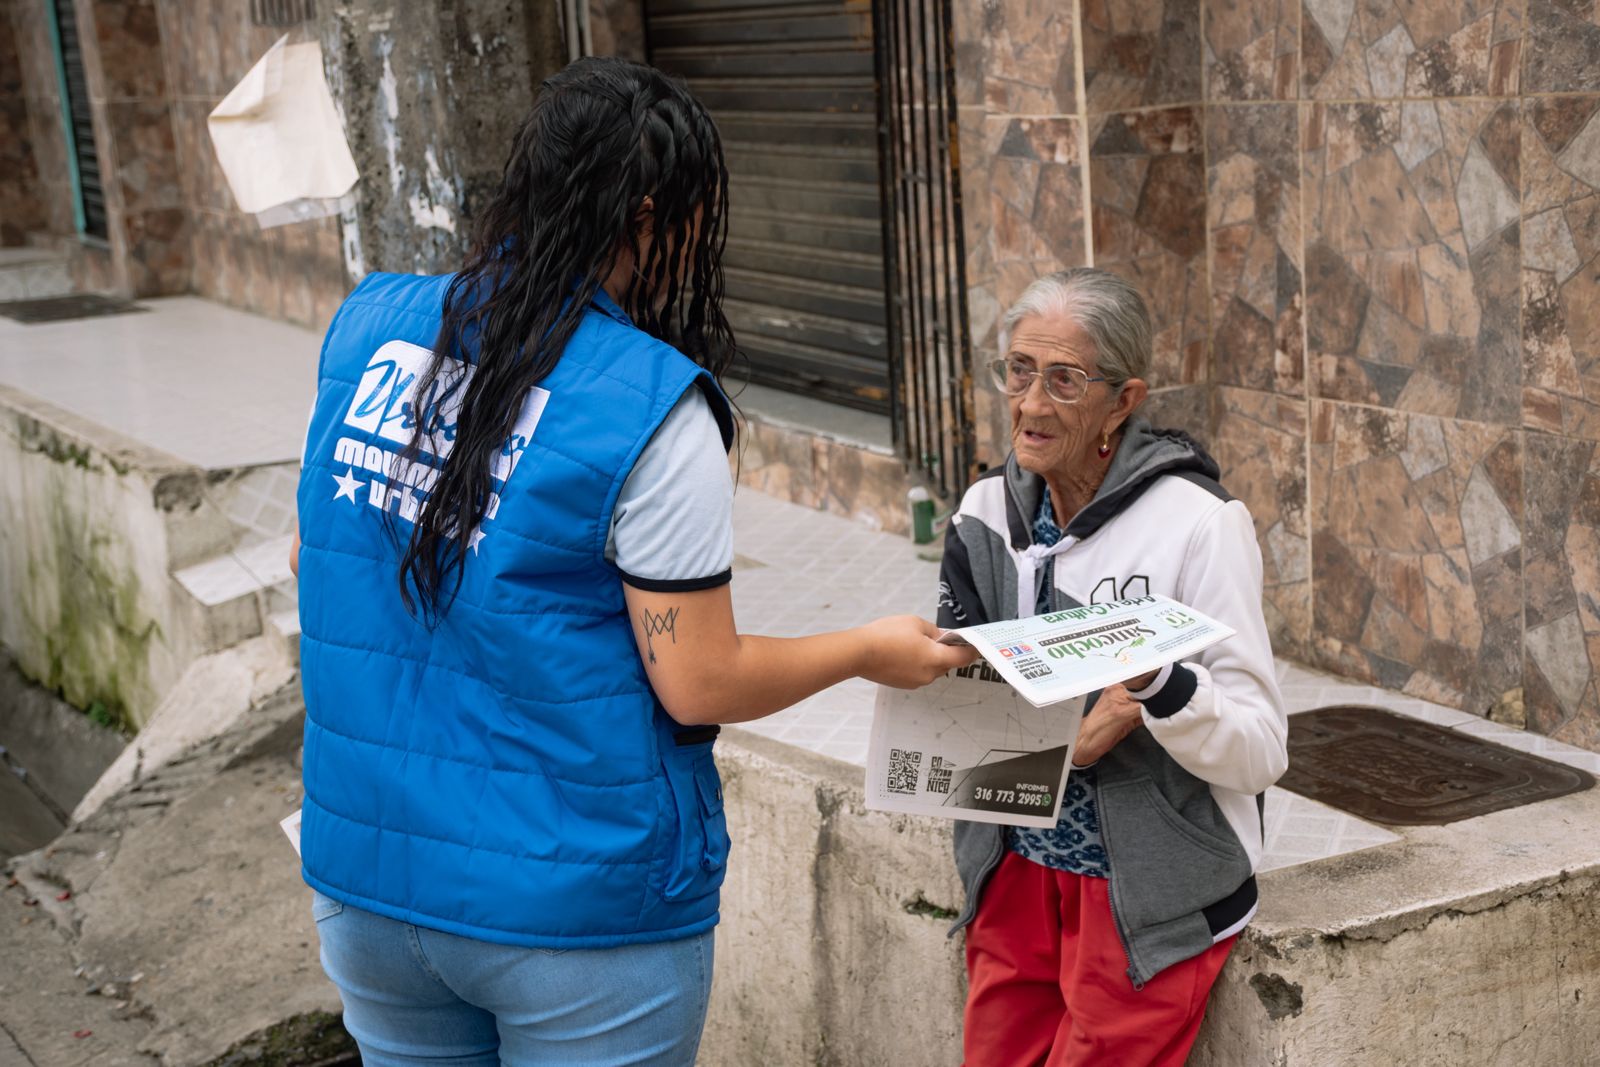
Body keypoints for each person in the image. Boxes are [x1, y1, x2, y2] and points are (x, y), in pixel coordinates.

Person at [289, 57, 974, 1066]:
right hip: (571, 909)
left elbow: (324, 559)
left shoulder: (369, 327)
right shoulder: (649, 404)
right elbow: (698, 679)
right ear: (651, 217)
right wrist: (868, 646)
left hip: (369, 884)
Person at [937, 268, 1288, 1066]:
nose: (1029, 404)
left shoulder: (1200, 525)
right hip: (1014, 866)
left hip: (1147, 893)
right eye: (1019, 371)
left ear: (1123, 400)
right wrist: (1072, 742)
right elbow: (954, 718)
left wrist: (1165, 686)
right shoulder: (985, 512)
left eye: (1064, 380)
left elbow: (1262, 747)